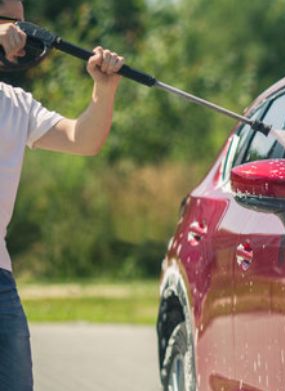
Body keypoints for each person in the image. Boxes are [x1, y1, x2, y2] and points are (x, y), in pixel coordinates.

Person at [0, 0, 125, 389]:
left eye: (22, 24)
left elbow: (82, 139)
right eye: (10, 23)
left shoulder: (15, 104)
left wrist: (103, 91)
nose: (21, 34)